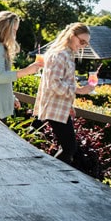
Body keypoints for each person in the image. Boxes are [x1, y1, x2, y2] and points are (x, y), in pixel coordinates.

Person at [33, 22, 95, 164]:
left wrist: (69, 105)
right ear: (71, 36)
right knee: (69, 148)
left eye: (86, 43)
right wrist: (79, 90)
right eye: (82, 41)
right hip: (54, 108)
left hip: (58, 107)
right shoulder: (61, 55)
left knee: (65, 147)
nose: (83, 45)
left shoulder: (67, 54)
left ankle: (49, 175)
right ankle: (51, 176)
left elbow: (62, 83)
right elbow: (55, 84)